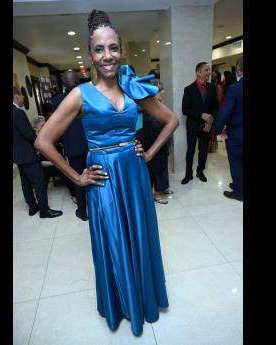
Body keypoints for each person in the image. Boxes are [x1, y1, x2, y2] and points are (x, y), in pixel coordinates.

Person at [35, 9, 178, 336]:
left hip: (134, 174)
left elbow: (171, 121)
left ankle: (144, 297)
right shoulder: (79, 95)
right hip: (103, 180)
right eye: (99, 49)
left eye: (112, 47)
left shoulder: (132, 88)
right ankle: (121, 303)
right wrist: (77, 177)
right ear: (90, 55)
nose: (107, 55)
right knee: (114, 240)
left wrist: (148, 153)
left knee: (140, 235)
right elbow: (43, 141)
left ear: (121, 50)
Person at [12, 88, 63, 218]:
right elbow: (28, 133)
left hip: (17, 155)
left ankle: (32, 207)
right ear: (16, 96)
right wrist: (38, 143)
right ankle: (44, 211)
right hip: (28, 154)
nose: (23, 97)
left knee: (25, 182)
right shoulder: (17, 112)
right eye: (21, 95)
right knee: (39, 182)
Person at [51, 71, 90, 221]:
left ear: (63, 82)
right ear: (77, 80)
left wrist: (62, 143)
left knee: (78, 179)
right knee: (95, 175)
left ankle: (82, 212)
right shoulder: (87, 96)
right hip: (90, 144)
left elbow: (56, 126)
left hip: (72, 147)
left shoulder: (57, 101)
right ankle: (99, 208)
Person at [181, 62, 219, 184]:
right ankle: (188, 174)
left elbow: (215, 107)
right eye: (205, 70)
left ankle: (200, 171)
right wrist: (201, 115)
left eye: (209, 70)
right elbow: (185, 110)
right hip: (193, 126)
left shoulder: (212, 88)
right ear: (198, 72)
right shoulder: (188, 89)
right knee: (190, 150)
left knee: (203, 151)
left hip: (206, 127)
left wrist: (210, 122)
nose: (208, 72)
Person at [137, 79, 173, 204]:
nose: (162, 92)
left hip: (161, 142)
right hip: (152, 142)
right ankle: (156, 193)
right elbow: (152, 128)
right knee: (155, 168)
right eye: (160, 90)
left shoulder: (159, 105)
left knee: (163, 166)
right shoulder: (149, 107)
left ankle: (163, 188)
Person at [214, 56, 243, 201]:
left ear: (239, 68)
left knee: (236, 162)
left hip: (237, 134)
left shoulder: (235, 88)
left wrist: (218, 130)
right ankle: (240, 184)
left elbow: (224, 113)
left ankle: (239, 192)